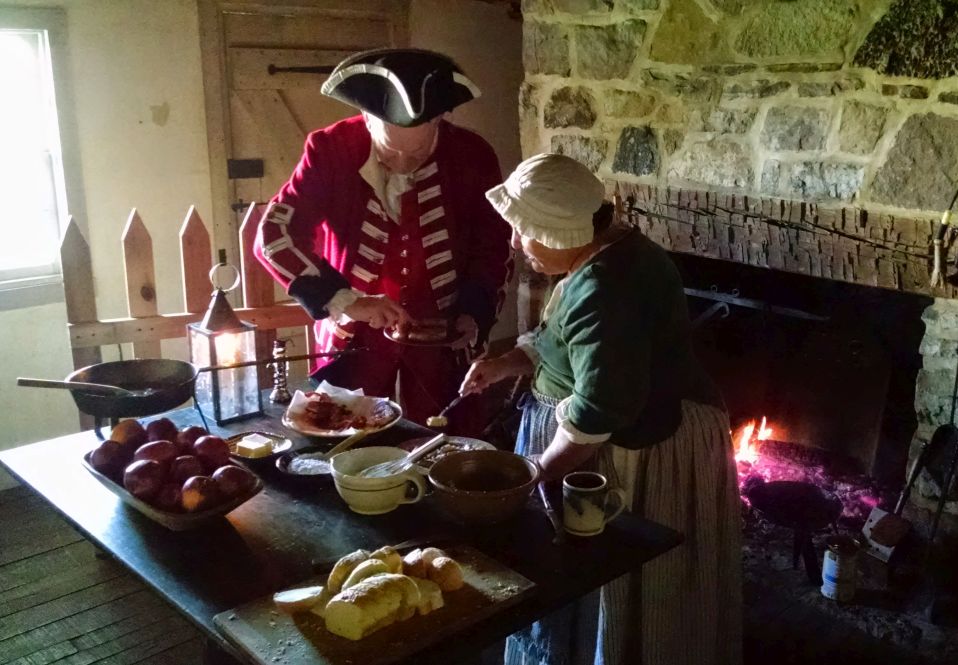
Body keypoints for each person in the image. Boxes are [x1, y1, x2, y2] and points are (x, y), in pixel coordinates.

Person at [461, 153, 742, 665]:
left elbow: (599, 406)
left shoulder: (603, 287)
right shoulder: (611, 247)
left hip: (636, 449)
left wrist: (539, 472)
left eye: (526, 232)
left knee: (613, 570)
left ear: (563, 231)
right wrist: (507, 364)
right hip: (630, 426)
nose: (517, 243)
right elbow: (563, 341)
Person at [253, 48, 512, 432]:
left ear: (441, 118)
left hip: (443, 336)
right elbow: (274, 233)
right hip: (353, 334)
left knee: (447, 442)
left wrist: (474, 312)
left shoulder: (474, 156)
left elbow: (494, 243)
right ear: (368, 121)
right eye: (392, 153)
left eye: (420, 151)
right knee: (341, 439)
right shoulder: (330, 149)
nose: (405, 165)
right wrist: (346, 299)